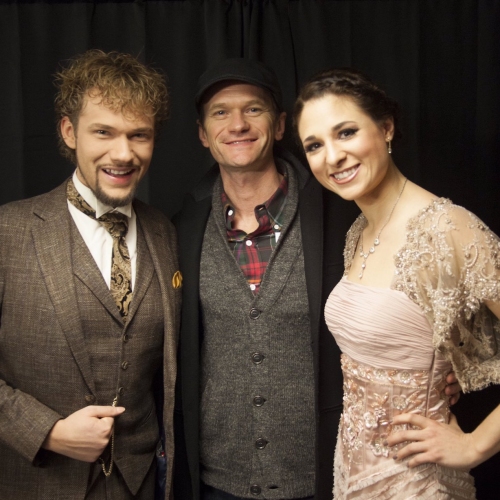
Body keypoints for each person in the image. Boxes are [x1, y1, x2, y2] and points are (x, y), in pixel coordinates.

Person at [172, 59, 460, 500]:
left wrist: (440, 369)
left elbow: (410, 305)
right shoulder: (181, 226)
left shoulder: (345, 212)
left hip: (327, 473)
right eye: (220, 112)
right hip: (219, 479)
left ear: (280, 124)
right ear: (202, 133)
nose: (237, 124)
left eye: (253, 109)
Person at [294, 68, 500, 499]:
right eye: (315, 145)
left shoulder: (448, 228)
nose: (332, 157)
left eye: (346, 132)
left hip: (416, 480)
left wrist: (475, 445)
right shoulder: (359, 231)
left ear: (386, 128)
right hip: (352, 470)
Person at [0, 50, 181, 499]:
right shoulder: (8, 231)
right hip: (39, 485)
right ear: (69, 131)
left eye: (139, 135)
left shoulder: (165, 232)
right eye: (104, 132)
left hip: (142, 483)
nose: (123, 153)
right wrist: (47, 431)